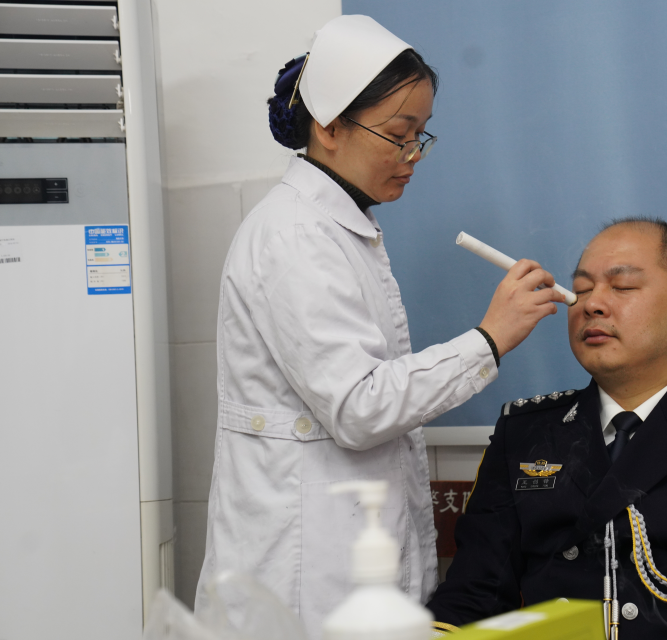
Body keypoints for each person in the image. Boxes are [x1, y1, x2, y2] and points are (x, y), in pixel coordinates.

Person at [195, 15, 565, 638]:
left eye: (421, 135)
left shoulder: (340, 227)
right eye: (397, 134)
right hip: (303, 585)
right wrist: (489, 338)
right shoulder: (294, 235)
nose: (413, 155)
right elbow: (358, 407)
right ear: (329, 126)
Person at [427, 218, 667, 640]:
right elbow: (472, 597)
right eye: (581, 289)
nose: (592, 305)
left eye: (622, 287)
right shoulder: (524, 433)